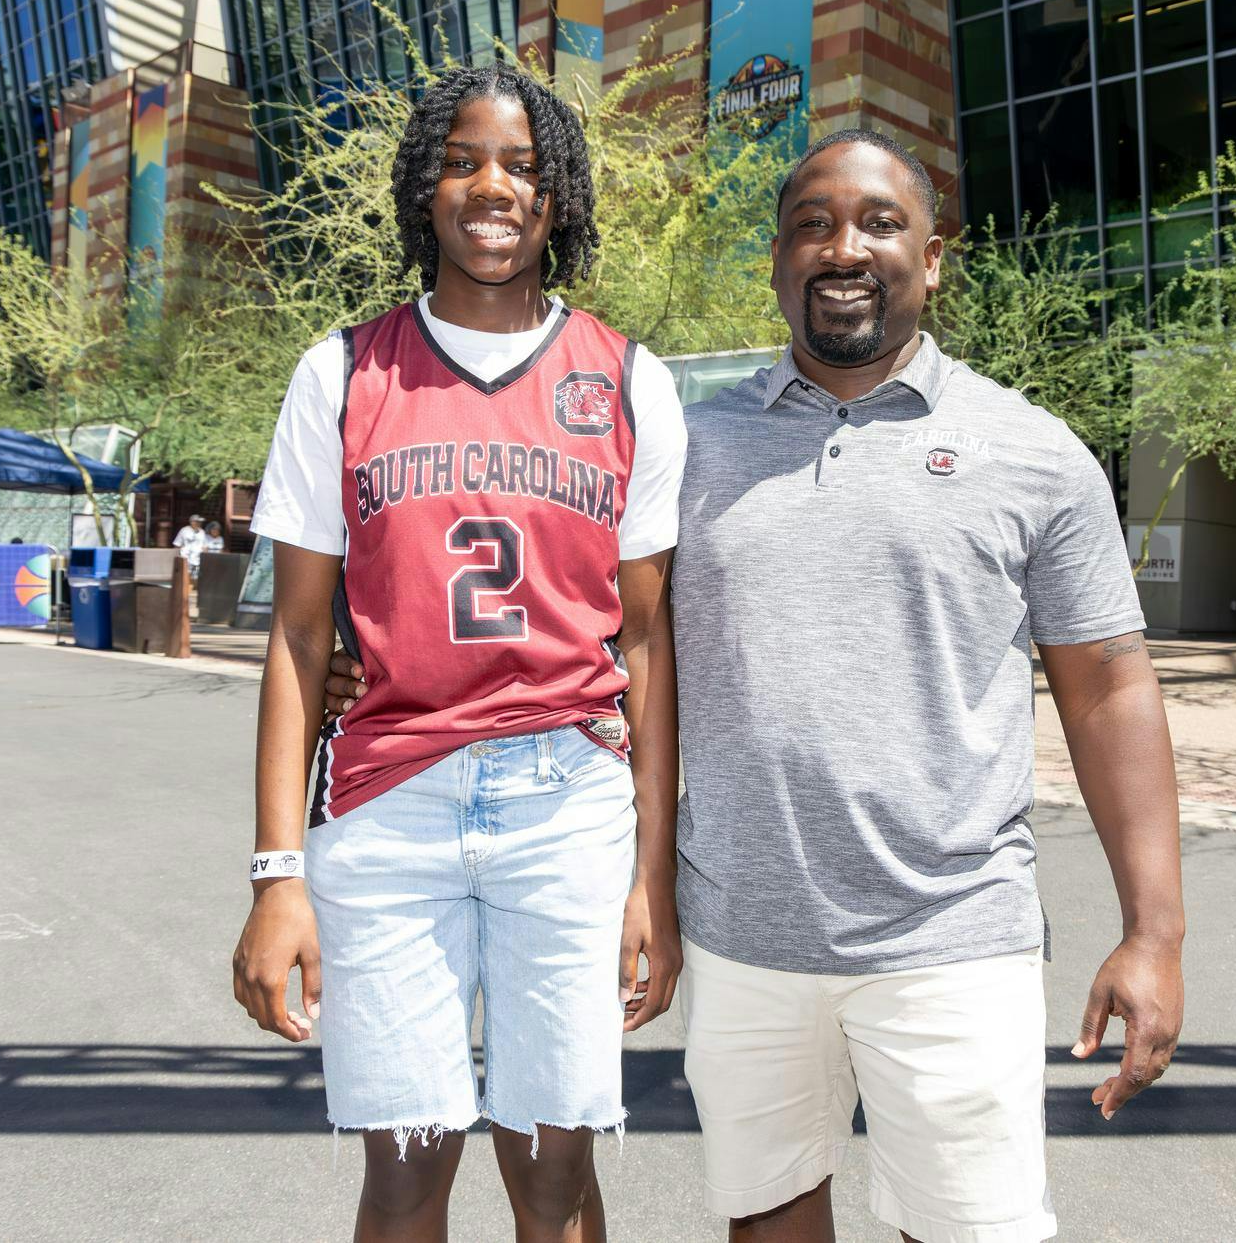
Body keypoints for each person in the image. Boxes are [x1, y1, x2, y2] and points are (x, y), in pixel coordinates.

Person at [327, 128, 1185, 1242]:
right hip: (740, 940)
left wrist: (1152, 932)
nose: (842, 248)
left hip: (951, 941)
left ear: (932, 259)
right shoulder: (684, 444)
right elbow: (582, 619)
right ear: (776, 262)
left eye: (879, 223)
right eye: (811, 225)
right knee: (768, 1226)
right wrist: (372, 655)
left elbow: (1110, 688)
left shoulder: (1031, 452)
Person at [232, 62, 687, 1242]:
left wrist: (651, 874)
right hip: (389, 802)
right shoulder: (341, 372)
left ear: (560, 198)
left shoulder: (630, 379)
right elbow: (294, 635)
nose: (494, 187)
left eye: (525, 167)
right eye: (464, 159)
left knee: (552, 1173)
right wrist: (276, 874)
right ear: (422, 185)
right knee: (404, 1170)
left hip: (566, 801)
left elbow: (643, 640)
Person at [173, 513, 208, 580]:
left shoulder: (202, 532)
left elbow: (205, 546)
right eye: (197, 521)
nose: (199, 523)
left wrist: (204, 558)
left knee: (196, 579)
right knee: (185, 577)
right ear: (192, 522)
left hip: (198, 560)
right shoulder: (184, 530)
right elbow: (177, 544)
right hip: (186, 559)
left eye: (200, 522)